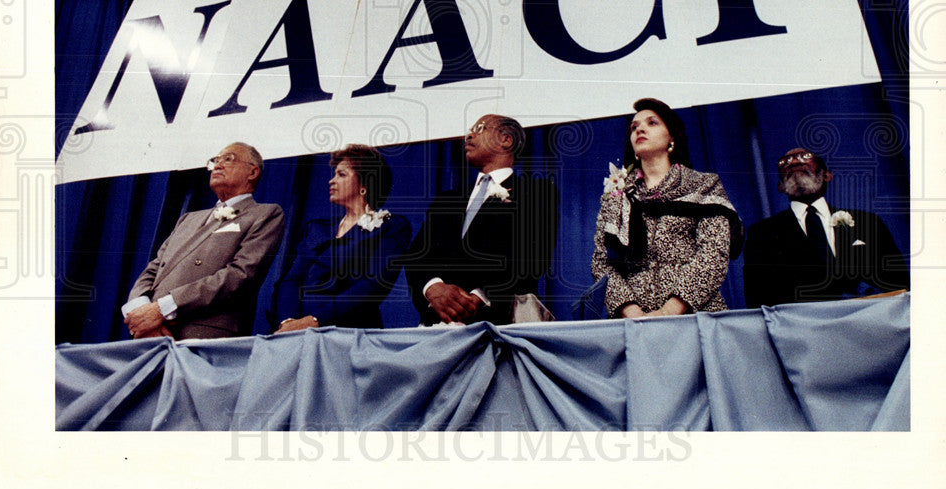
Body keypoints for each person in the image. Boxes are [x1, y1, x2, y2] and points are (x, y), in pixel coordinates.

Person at [590, 98, 742, 318]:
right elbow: (601, 263)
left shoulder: (704, 186)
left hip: (696, 316)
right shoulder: (615, 197)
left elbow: (713, 252)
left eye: (652, 123)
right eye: (634, 127)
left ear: (672, 138)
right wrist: (633, 313)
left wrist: (669, 311)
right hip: (632, 324)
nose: (640, 128)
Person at [403, 114, 559, 326]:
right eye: (470, 129)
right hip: (437, 324)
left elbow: (532, 258)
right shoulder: (446, 200)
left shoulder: (538, 193)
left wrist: (478, 297)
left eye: (480, 128)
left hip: (499, 323)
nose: (468, 135)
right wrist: (433, 288)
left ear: (506, 140)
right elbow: (417, 254)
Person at [122, 142, 285, 340]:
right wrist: (142, 314)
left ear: (252, 172)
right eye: (215, 161)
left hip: (203, 333)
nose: (217, 165)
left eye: (228, 159)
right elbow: (153, 270)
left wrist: (163, 309)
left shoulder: (265, 214)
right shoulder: (188, 219)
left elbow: (239, 275)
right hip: (151, 332)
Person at [268, 144, 412, 332]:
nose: (331, 181)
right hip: (294, 333)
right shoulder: (316, 229)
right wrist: (288, 322)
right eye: (334, 174)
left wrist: (314, 321)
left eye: (341, 175)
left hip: (350, 331)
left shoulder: (391, 227)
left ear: (364, 184)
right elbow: (291, 280)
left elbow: (373, 285)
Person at [743, 147, 908, 308]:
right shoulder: (761, 233)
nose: (793, 163)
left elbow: (899, 285)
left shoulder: (868, 222)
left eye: (805, 156)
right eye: (784, 162)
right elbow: (757, 300)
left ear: (827, 175)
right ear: (780, 186)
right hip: (802, 331)